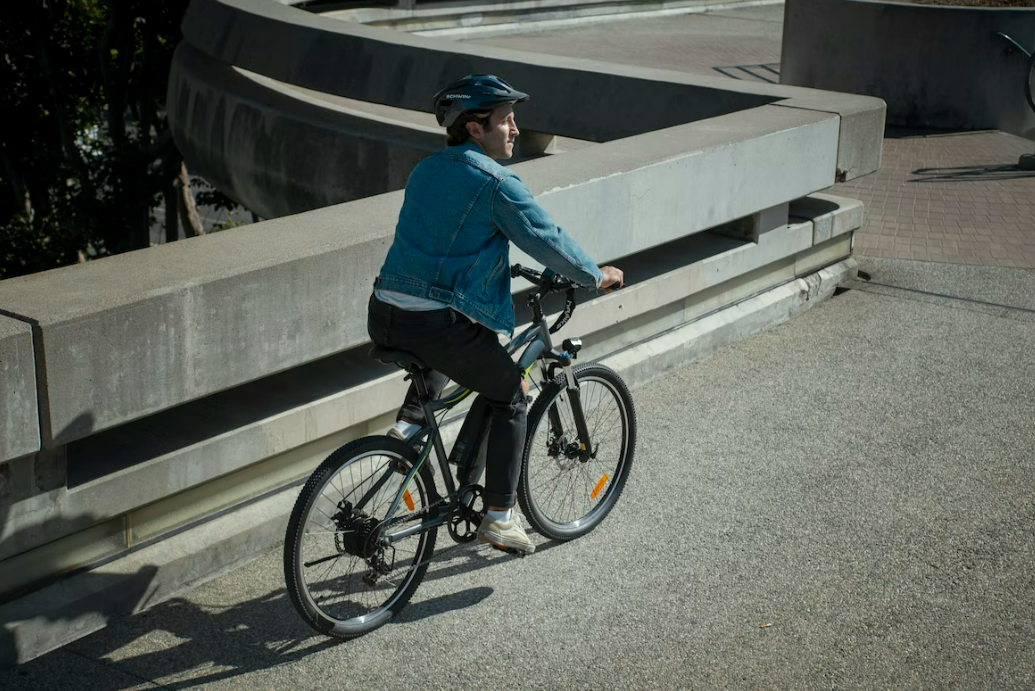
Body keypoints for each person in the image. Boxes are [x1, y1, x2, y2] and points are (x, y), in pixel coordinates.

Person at [368, 74, 623, 555]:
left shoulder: (425, 171)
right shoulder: (496, 182)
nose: (514, 129)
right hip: (432, 321)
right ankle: (500, 518)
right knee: (511, 395)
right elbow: (546, 238)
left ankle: (407, 430)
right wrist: (593, 276)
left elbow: (443, 247)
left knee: (461, 339)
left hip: (385, 310)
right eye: (504, 120)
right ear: (473, 129)